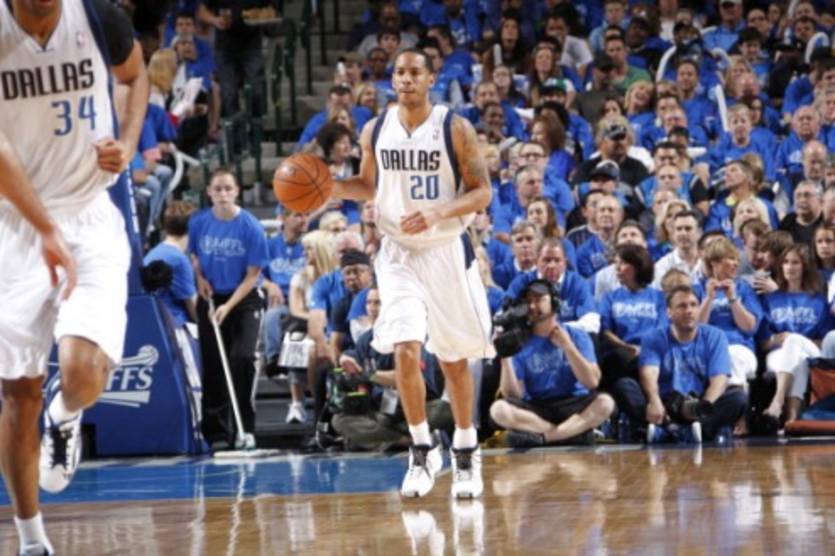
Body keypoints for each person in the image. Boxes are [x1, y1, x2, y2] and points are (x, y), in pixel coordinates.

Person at [0, 1, 148, 553]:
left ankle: (65, 417)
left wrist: (127, 144)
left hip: (88, 215)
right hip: (13, 224)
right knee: (20, 392)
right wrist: (43, 229)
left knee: (83, 374)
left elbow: (134, 77)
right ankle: (32, 540)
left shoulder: (98, 17)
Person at [329, 48, 494, 499]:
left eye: (414, 72)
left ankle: (465, 447)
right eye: (399, 72)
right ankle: (422, 449)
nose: (405, 79)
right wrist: (330, 188)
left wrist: (439, 211)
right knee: (404, 348)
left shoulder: (454, 128)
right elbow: (368, 185)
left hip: (445, 250)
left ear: (430, 78)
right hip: (399, 252)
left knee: (453, 359)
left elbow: (481, 192)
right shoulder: (375, 128)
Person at [189, 169, 269, 451]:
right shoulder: (199, 222)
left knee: (242, 358)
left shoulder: (251, 227)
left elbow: (252, 275)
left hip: (243, 299)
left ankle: (245, 428)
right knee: (214, 365)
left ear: (236, 192)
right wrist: (200, 279)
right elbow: (195, 256)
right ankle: (218, 434)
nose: (223, 194)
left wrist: (228, 306)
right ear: (209, 193)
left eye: (228, 189)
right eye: (217, 189)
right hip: (211, 297)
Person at [489, 280, 616, 448]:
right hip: (537, 408)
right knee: (498, 410)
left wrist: (568, 346)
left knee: (606, 403)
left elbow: (591, 382)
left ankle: (546, 438)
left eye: (539, 299)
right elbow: (513, 395)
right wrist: (505, 358)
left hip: (573, 402)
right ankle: (571, 435)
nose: (532, 306)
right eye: (529, 301)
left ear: (555, 302)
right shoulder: (520, 341)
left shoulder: (576, 335)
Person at [616, 285, 748, 443]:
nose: (689, 310)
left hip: (699, 402)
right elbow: (649, 373)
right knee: (625, 386)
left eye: (693, 305)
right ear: (669, 312)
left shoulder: (715, 336)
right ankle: (670, 428)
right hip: (664, 403)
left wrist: (701, 407)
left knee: (738, 398)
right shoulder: (654, 337)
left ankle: (676, 432)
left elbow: (719, 379)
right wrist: (654, 401)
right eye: (682, 306)